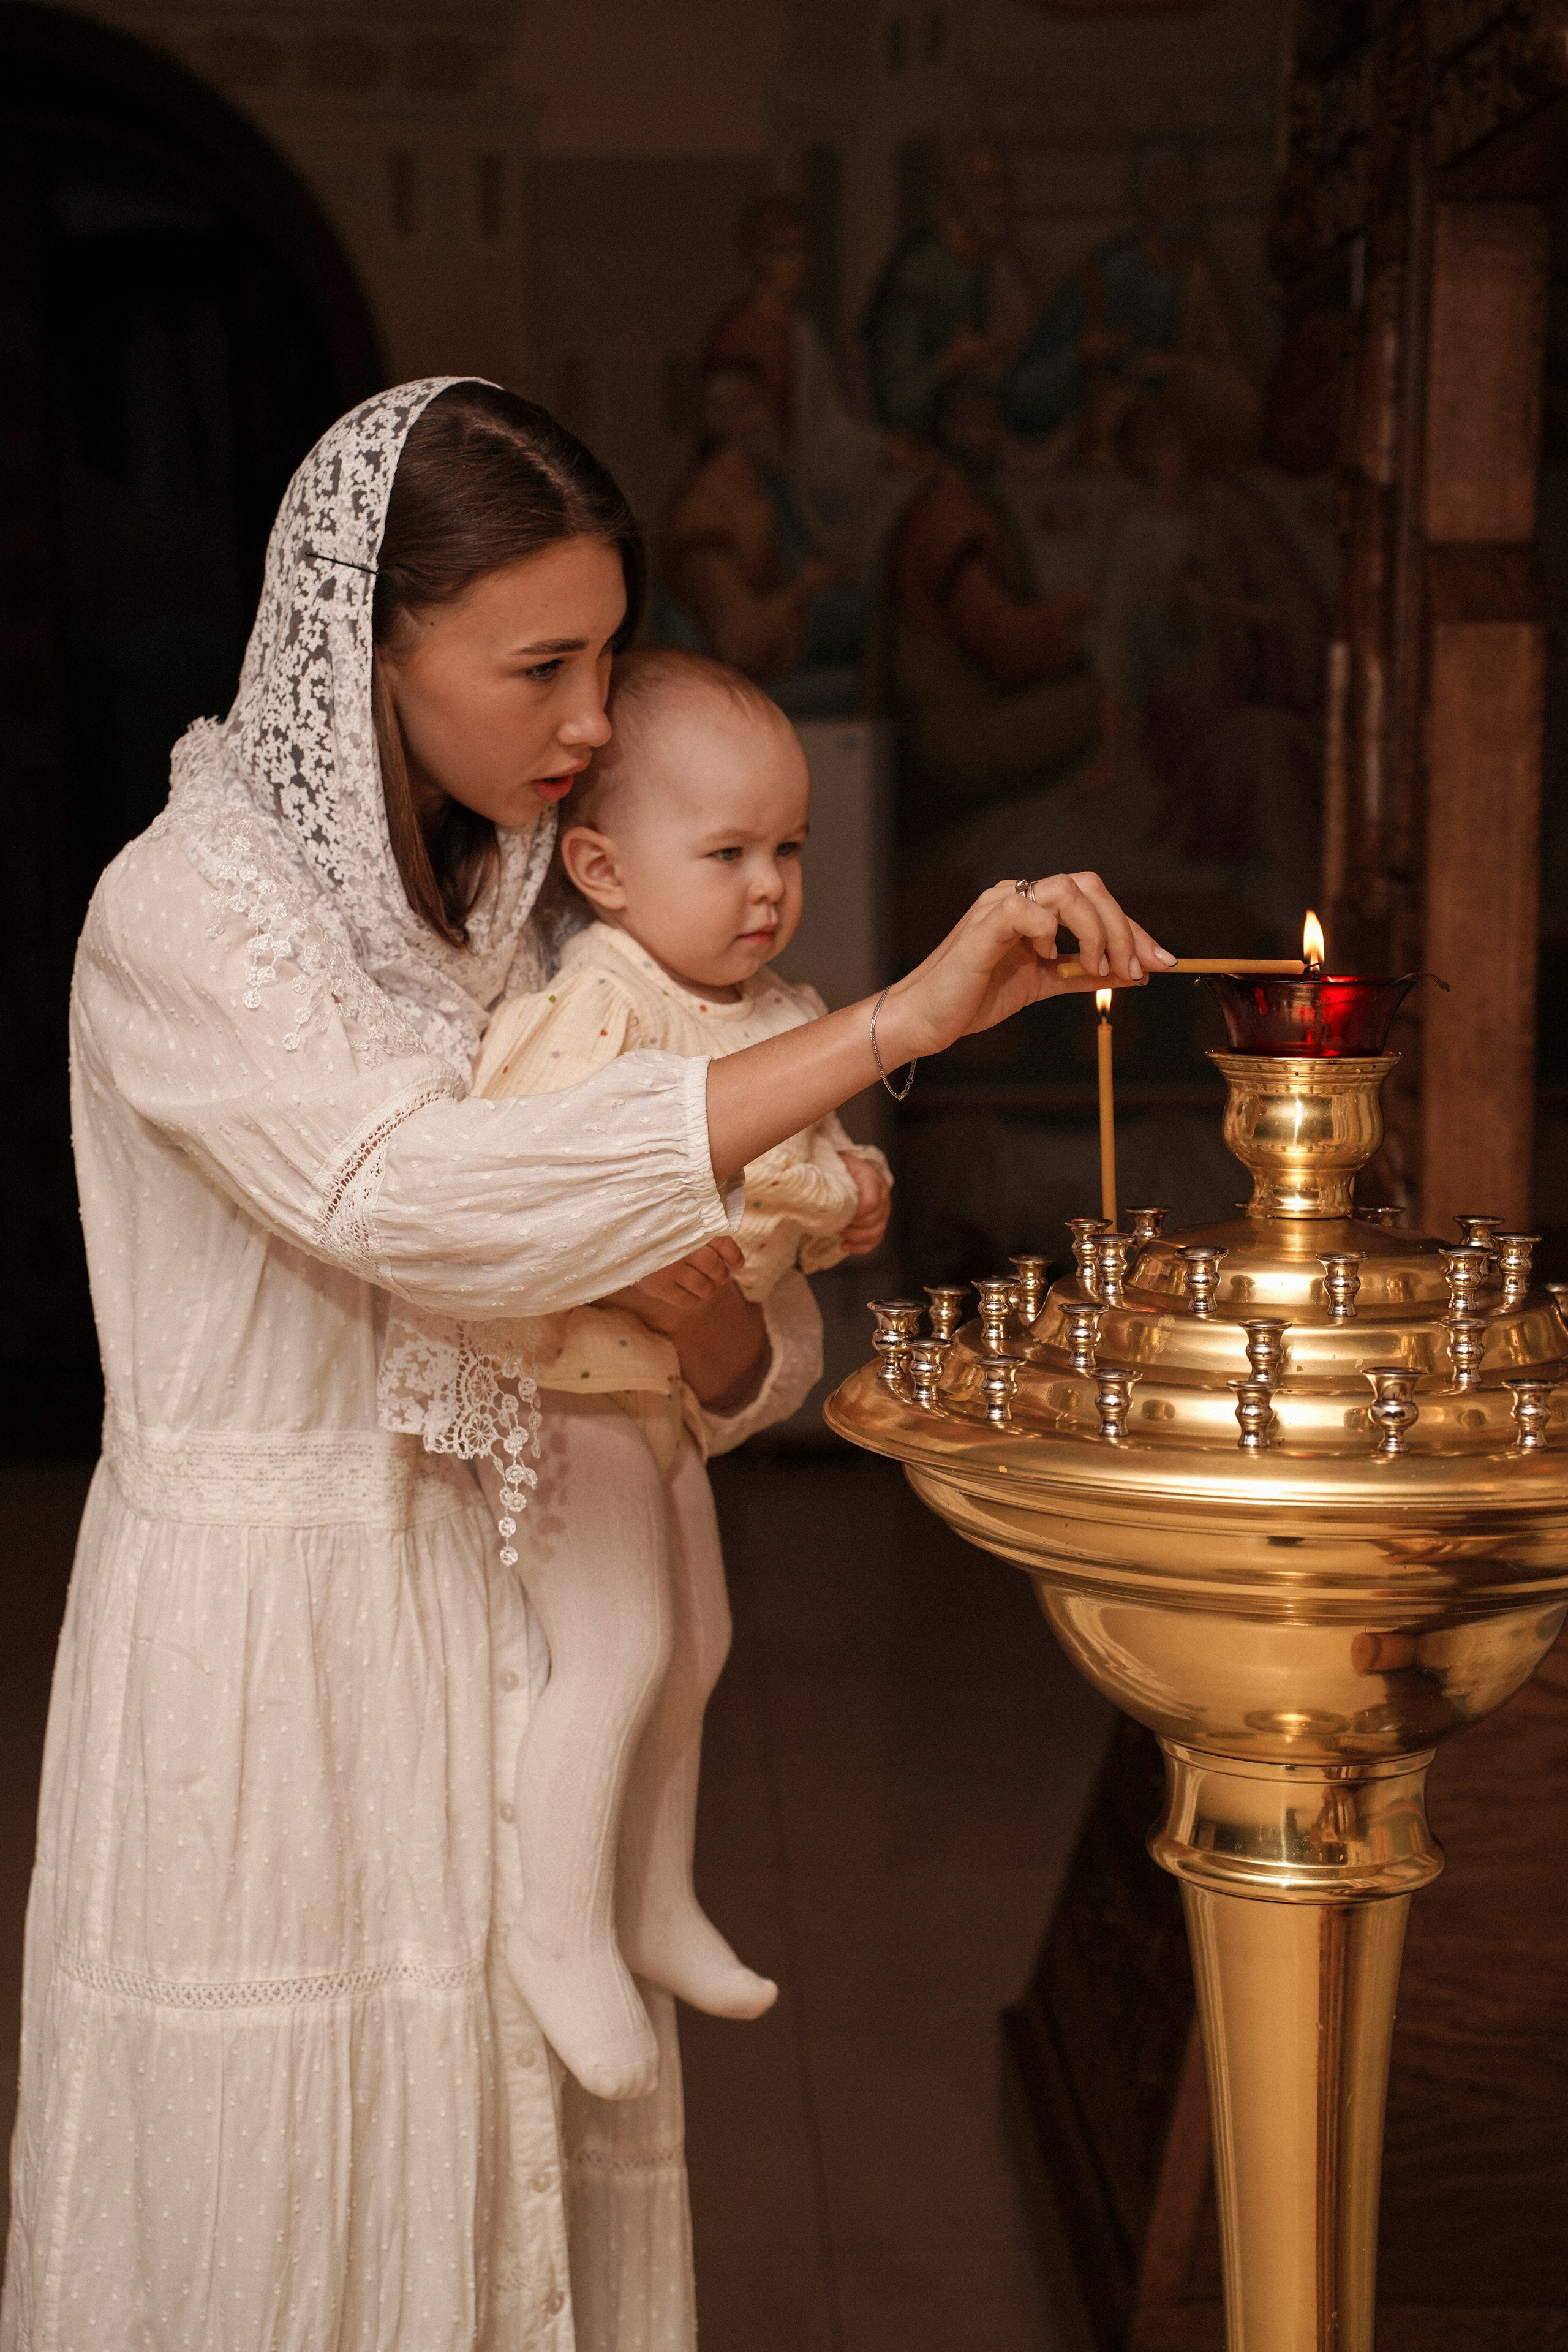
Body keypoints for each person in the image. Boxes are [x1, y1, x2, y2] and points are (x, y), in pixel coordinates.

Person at [1, 373, 1170, 2352]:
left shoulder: (530, 891)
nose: (592, 722)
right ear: (369, 652)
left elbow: (705, 1342)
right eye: (539, 667)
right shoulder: (183, 911)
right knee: (290, 2187)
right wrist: (894, 1023)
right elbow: (419, 1202)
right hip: (277, 1651)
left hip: (522, 1611)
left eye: (611, 657)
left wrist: (728, 1331)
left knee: (508, 2166)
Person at [471, 649, 892, 2103]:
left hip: (658, 1402)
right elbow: (520, 1169)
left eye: (788, 848)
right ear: (601, 867)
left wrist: (853, 1195)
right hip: (570, 1389)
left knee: (699, 1644)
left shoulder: (774, 1007)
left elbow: (800, 1170)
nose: (767, 887)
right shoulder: (606, 1002)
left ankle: (655, 1903)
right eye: (725, 853)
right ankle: (556, 1928)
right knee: (618, 1649)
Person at [888, 375, 1099, 835]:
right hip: (952, 732)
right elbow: (1000, 639)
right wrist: (1071, 612)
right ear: (946, 432)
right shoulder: (949, 517)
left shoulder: (964, 501)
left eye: (991, 424)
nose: (987, 437)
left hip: (971, 701)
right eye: (973, 425)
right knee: (1094, 700)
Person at [1004, 143, 1260, 471]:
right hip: (1109, 455)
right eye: (1171, 187)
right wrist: (1080, 355)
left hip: (1183, 453)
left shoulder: (1199, 276)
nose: (1185, 201)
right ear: (1146, 197)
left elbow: (1242, 396)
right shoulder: (1101, 278)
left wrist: (1179, 366)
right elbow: (1024, 396)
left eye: (1189, 187)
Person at [702, 194, 919, 578]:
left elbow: (827, 424)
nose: (798, 263)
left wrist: (879, 448)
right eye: (784, 251)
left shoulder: (803, 332)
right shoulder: (742, 332)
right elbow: (752, 433)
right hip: (762, 486)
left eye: (804, 251)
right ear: (758, 258)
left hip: (806, 471)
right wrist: (878, 451)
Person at [658, 360, 865, 696]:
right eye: (754, 406)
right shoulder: (702, 514)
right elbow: (739, 643)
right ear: (725, 419)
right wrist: (803, 588)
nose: (770, 419)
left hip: (793, 641)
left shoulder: (770, 489)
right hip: (749, 675)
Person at [859, 138, 1037, 436]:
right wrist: (951, 361)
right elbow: (895, 401)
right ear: (954, 195)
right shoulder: (916, 272)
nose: (999, 200)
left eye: (1005, 186)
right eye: (984, 187)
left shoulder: (1003, 268)